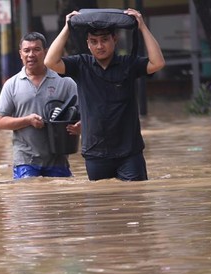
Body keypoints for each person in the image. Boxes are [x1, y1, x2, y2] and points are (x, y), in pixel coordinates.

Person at [44, 8, 165, 181]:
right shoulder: (81, 64)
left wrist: (143, 27)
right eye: (94, 41)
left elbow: (158, 63)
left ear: (114, 40)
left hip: (129, 153)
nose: (99, 46)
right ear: (88, 44)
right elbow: (50, 62)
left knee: (135, 203)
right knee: (100, 204)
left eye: (104, 40)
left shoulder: (128, 64)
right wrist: (67, 28)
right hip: (95, 153)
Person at [0, 32, 81, 179]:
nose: (31, 54)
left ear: (46, 52)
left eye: (36, 49)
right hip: (25, 160)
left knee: (61, 198)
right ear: (20, 54)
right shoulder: (11, 85)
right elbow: (0, 122)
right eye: (26, 50)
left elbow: (85, 113)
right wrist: (27, 120)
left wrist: (80, 126)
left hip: (58, 159)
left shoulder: (65, 82)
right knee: (29, 195)